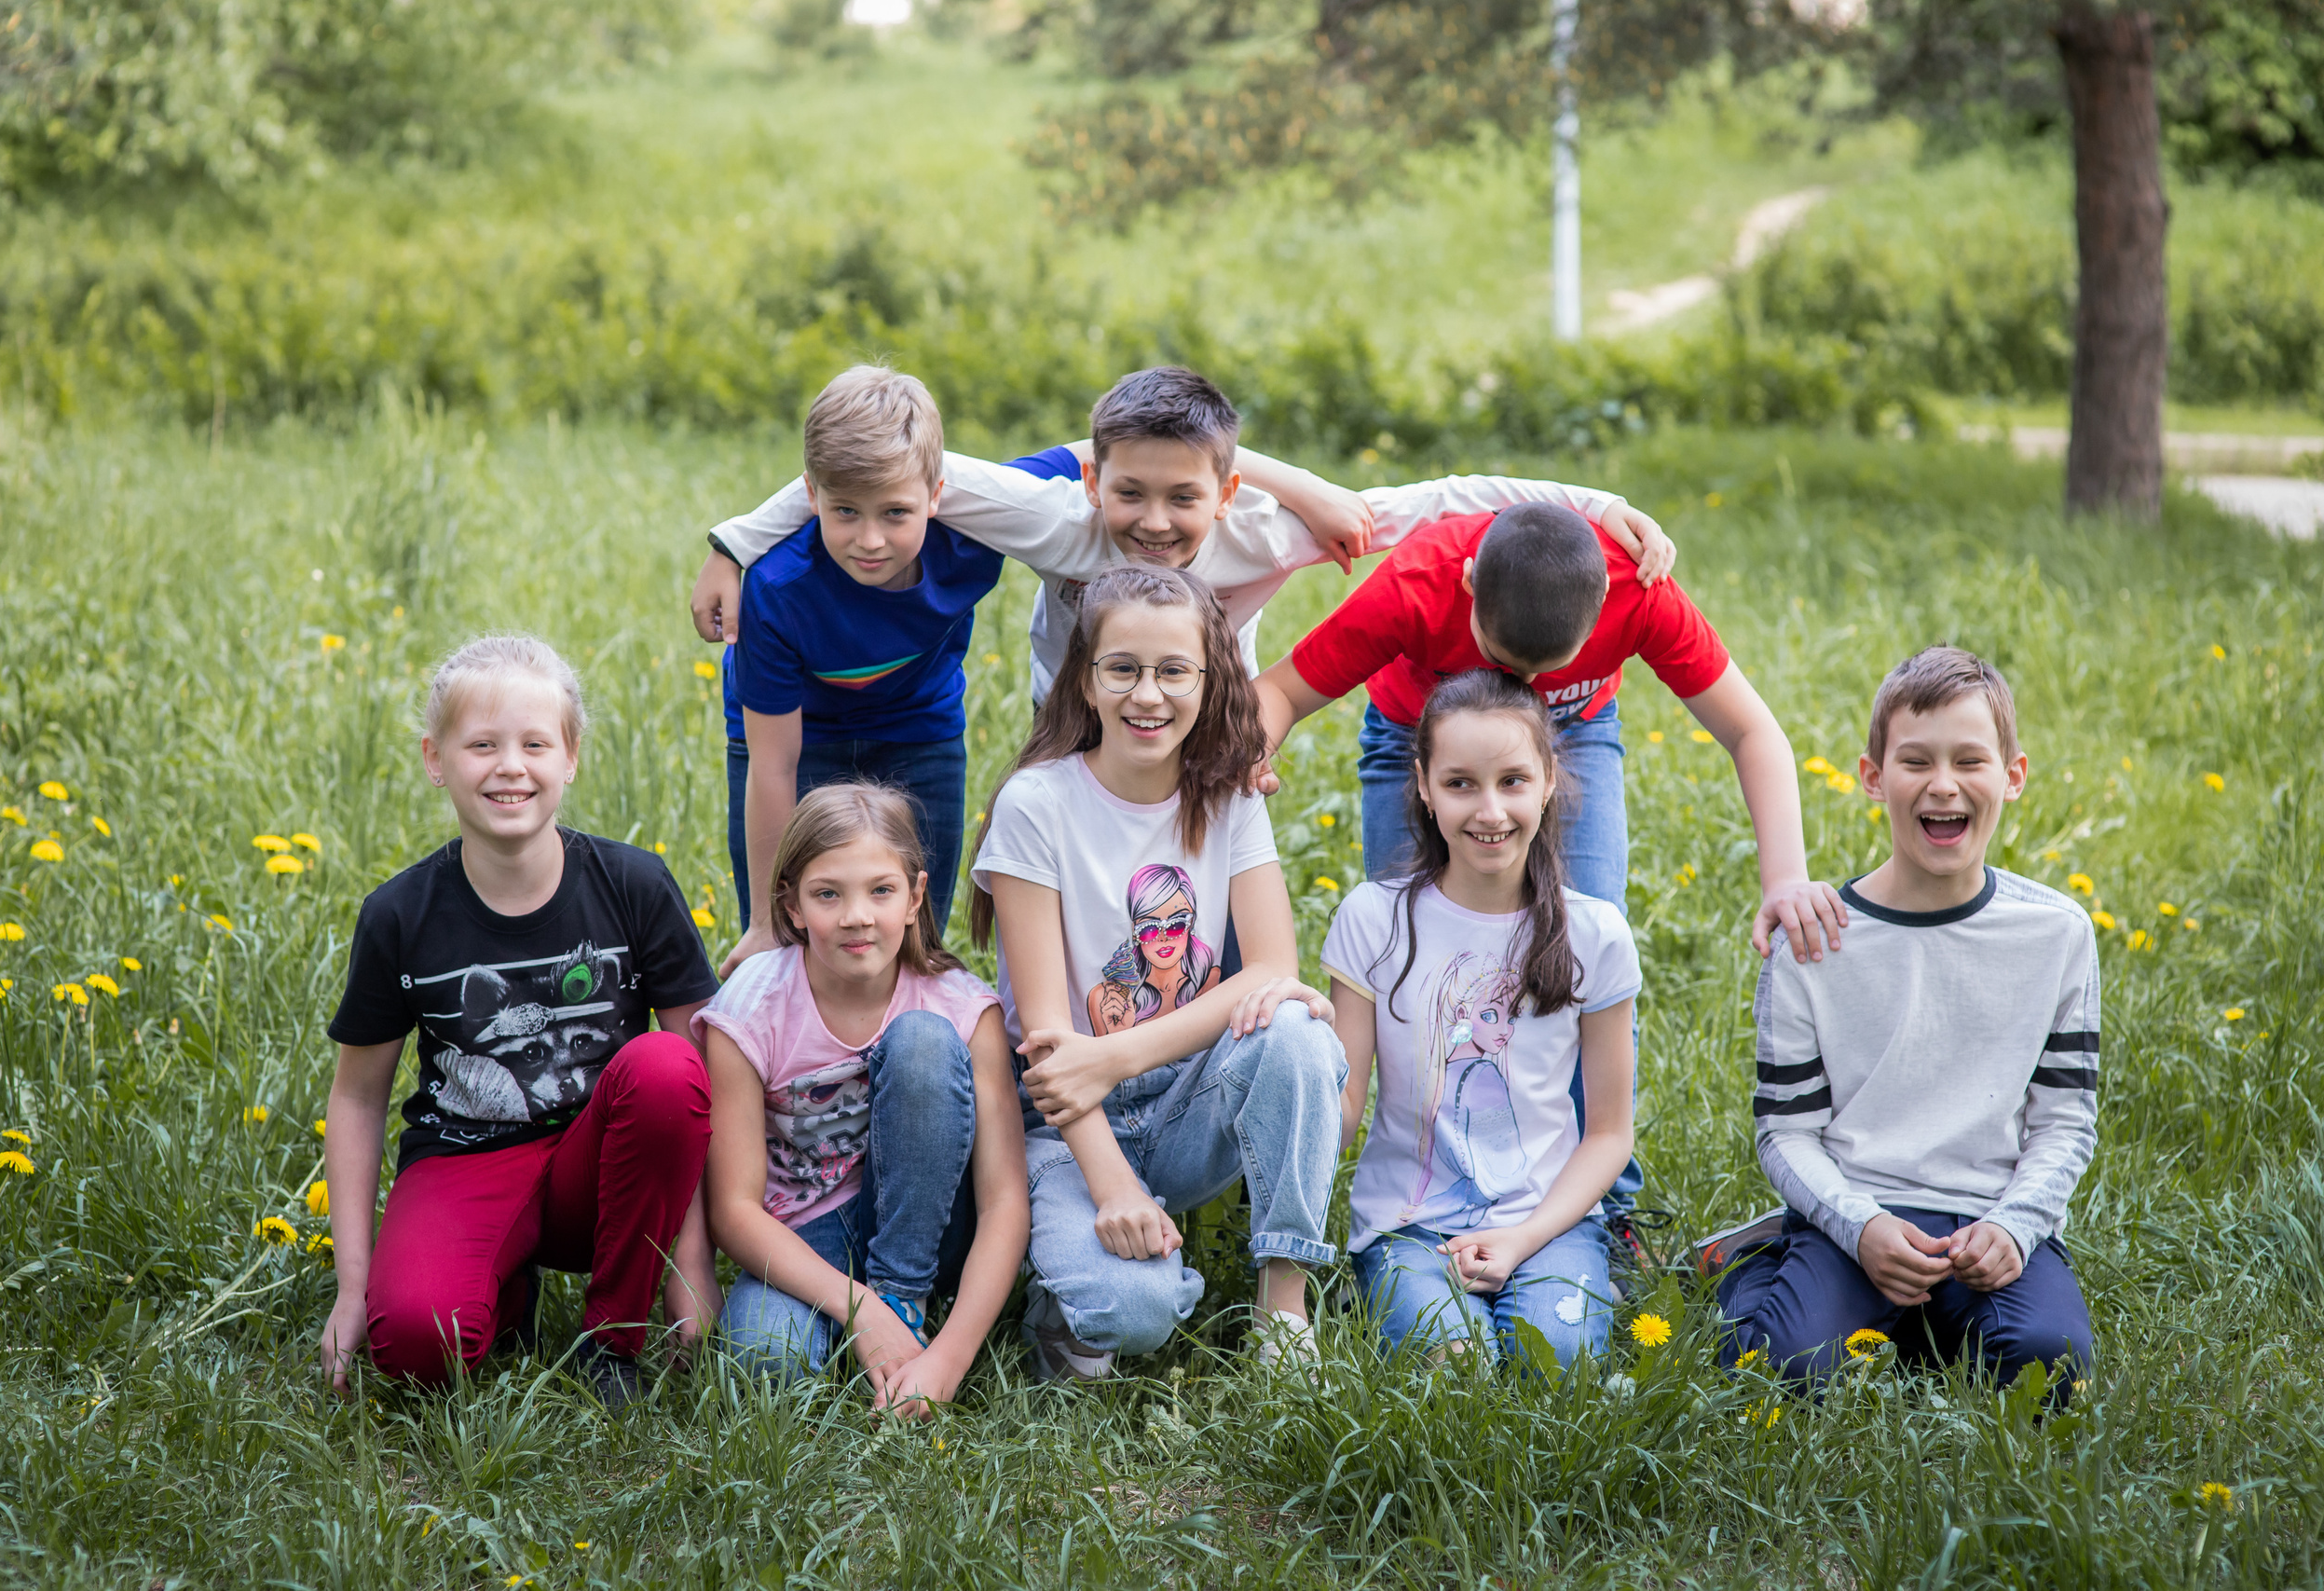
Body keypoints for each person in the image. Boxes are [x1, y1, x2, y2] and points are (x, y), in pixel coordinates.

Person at [1253, 499, 1844, 1214]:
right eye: (1503, 662)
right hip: (1424, 739)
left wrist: (1785, 877)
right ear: (1469, 583)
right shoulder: (1420, 581)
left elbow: (1752, 730)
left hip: (1574, 736)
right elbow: (1280, 691)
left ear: (1601, 606)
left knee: (1584, 952)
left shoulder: (1636, 586)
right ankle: (1431, 1185)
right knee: (1418, 953)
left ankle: (1599, 1207)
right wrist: (1252, 752)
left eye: (1545, 669)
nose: (1521, 686)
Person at [690, 364, 1675, 711]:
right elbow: (880, 471)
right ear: (1091, 479)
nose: (1153, 523)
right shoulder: (1053, 514)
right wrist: (737, 542)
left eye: (1181, 501)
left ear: (1226, 492)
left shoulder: (1260, 530)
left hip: (1208, 722)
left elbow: (1444, 496)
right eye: (1129, 496)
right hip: (1070, 727)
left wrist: (1590, 501)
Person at [318, 636, 722, 1406]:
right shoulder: (399, 915)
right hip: (464, 1159)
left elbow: (711, 1076)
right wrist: (353, 1286)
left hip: (603, 1164)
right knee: (414, 1348)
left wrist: (691, 1259)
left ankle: (613, 1339)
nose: (511, 766)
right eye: (482, 745)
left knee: (670, 1067)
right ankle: (504, 1294)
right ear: (436, 759)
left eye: (535, 743)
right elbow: (359, 1096)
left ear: (570, 756)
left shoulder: (634, 886)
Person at [969, 564, 1347, 1379]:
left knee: (1298, 1030)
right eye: (1124, 669)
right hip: (1065, 1125)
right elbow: (1047, 1042)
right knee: (1132, 1314)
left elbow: (1273, 966)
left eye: (1175, 671)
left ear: (1211, 681)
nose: (1149, 694)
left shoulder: (1228, 799)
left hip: (1182, 1100)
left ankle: (1284, 1306)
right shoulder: (1037, 805)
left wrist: (1120, 1055)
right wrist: (1113, 1188)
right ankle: (1075, 1296)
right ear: (1086, 678)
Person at [1709, 647, 2098, 1393]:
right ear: (1873, 777)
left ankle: (1923, 1315)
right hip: (1855, 1209)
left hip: (1988, 1213)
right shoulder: (1814, 938)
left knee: (2049, 1364)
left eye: (1971, 761)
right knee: (1777, 1372)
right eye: (1915, 761)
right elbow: (1785, 1131)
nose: (1943, 785)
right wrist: (1860, 1226)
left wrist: (2016, 1225)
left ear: (2012, 776)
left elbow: (2065, 1121)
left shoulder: (2058, 932)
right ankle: (1756, 1266)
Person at [1322, 671, 1637, 1365]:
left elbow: (1610, 1134)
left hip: (1550, 1224)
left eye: (1513, 781)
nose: (1489, 809)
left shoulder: (1597, 933)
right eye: (1461, 782)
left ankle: (1575, 1280)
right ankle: (1392, 1289)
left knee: (1554, 1363)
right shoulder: (1373, 920)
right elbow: (1341, 1109)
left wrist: (1523, 1239)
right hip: (1408, 1226)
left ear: (1550, 780)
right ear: (1423, 785)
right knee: (1454, 1368)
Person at [691, 783, 1028, 1416]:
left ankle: (905, 1301)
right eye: (828, 893)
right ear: (791, 906)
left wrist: (949, 1361)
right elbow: (733, 1208)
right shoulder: (749, 1009)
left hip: (929, 1227)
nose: (857, 915)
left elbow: (1006, 1199)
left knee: (923, 1045)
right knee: (763, 1364)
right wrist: (855, 1305)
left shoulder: (961, 1007)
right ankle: (870, 1325)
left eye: (880, 890)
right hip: (801, 1234)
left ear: (915, 896)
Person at [716, 365, 1001, 963]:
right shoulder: (779, 588)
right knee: (794, 938)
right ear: (810, 495)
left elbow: (1094, 464)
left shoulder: (975, 540)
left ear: (937, 495)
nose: (870, 539)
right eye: (845, 511)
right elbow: (773, 763)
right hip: (796, 739)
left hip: (920, 731)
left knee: (910, 942)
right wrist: (768, 923)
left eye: (896, 513)